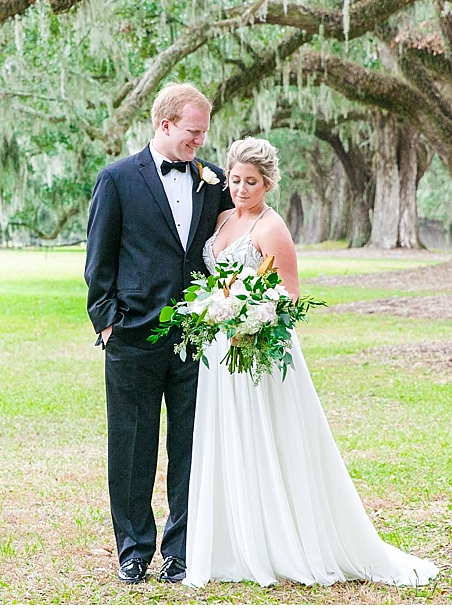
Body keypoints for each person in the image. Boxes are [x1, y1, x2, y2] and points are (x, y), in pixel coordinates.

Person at [184, 137, 439, 588]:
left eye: (252, 182)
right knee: (229, 437)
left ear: (268, 183)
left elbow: (290, 293)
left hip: (258, 347)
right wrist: (214, 312)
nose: (242, 189)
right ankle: (234, 544)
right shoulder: (222, 218)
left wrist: (250, 316)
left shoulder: (270, 227)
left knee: (270, 437)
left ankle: (283, 542)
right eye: (237, 180)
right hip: (220, 351)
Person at [84, 83, 234, 584]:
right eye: (193, 132)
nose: (200, 142)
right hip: (131, 338)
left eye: (204, 133)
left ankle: (182, 550)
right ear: (165, 124)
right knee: (131, 447)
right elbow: (98, 263)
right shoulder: (117, 179)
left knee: (191, 447)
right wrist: (108, 325)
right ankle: (132, 549)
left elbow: (233, 243)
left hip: (196, 337)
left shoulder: (213, 183)